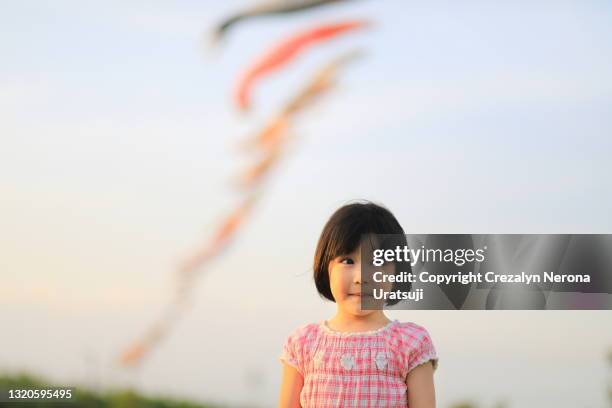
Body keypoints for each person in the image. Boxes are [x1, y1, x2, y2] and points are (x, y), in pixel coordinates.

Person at [278, 201, 438, 407]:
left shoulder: (411, 343)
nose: (361, 277)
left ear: (398, 272)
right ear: (326, 267)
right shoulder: (303, 343)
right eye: (347, 261)